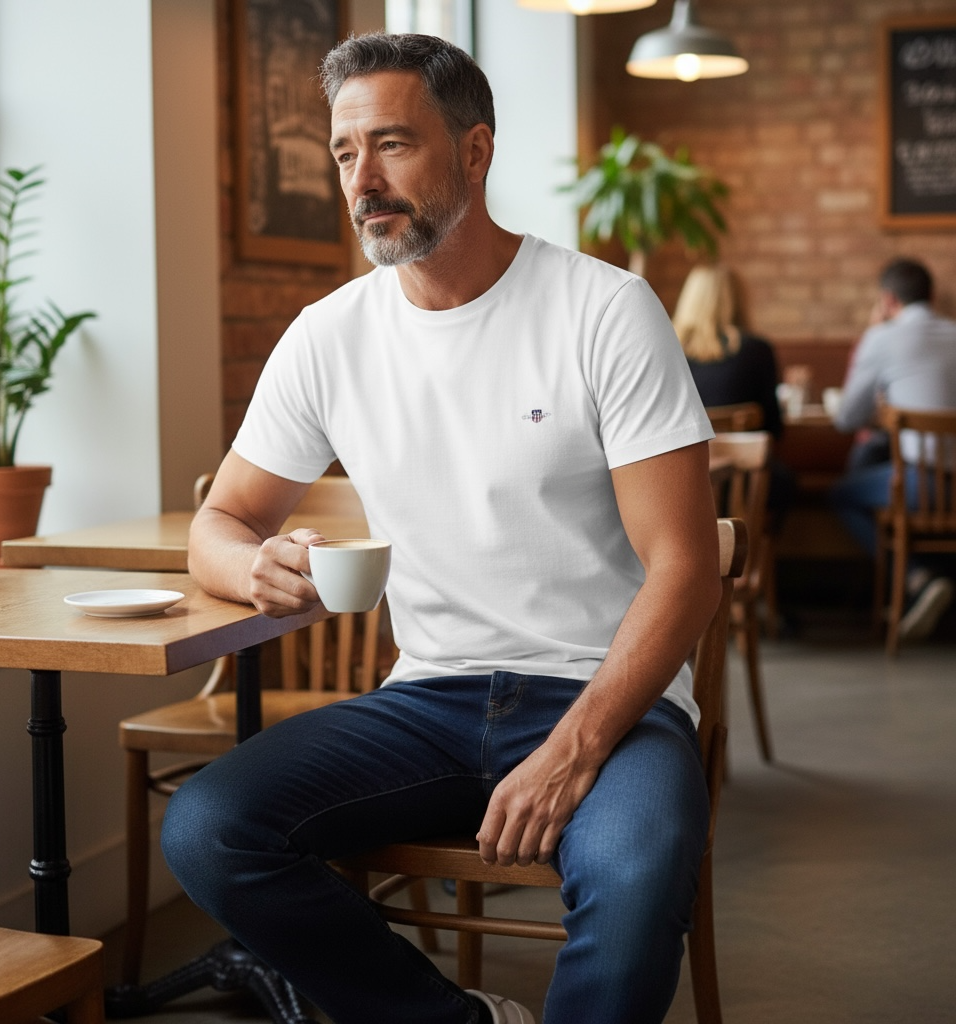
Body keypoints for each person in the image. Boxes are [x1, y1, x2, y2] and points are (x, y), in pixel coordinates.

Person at [161, 33, 721, 1024]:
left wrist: (578, 745)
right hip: (429, 701)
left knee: (634, 876)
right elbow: (220, 518)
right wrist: (253, 567)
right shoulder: (329, 336)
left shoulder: (602, 310)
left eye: (391, 144)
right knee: (209, 824)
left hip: (609, 695)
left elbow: (684, 566)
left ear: (473, 152)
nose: (362, 180)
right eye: (343, 153)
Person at [830, 257, 956, 641]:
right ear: (932, 296)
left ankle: (916, 580)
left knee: (840, 495)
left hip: (922, 486)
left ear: (888, 300)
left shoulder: (882, 338)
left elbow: (847, 419)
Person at [671, 264, 795, 532]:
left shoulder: (667, 350)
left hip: (678, 484)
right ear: (737, 301)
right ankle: (751, 561)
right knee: (784, 481)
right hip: (743, 484)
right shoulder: (757, 350)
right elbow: (774, 429)